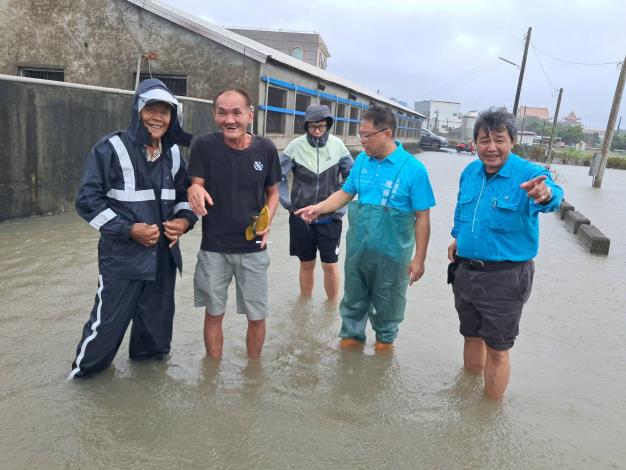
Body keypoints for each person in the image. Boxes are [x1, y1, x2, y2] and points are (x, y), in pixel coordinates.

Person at [70, 79, 196, 378]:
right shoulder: (109, 148)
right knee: (106, 328)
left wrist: (184, 222)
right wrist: (129, 230)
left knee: (154, 339)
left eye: (165, 112)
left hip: (164, 258)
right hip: (122, 259)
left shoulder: (175, 153)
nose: (158, 118)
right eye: (151, 109)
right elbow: (87, 202)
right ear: (137, 110)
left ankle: (148, 389)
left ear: (172, 117)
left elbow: (184, 196)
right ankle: (82, 380)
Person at [296, 106, 435, 351]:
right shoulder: (362, 161)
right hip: (358, 252)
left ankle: (382, 356)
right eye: (360, 134)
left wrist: (419, 258)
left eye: (367, 135)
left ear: (387, 134)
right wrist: (318, 208)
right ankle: (350, 358)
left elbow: (422, 217)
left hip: (392, 258)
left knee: (388, 311)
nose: (362, 141)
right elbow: (345, 194)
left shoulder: (414, 169)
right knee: (352, 304)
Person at [447, 107, 563, 398]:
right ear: (475, 143)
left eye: (499, 139)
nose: (491, 147)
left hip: (505, 276)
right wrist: (457, 237)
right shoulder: (469, 172)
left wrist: (545, 193)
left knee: (498, 349)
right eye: (484, 140)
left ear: (512, 141)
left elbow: (552, 194)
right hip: (465, 271)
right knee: (470, 336)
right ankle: (467, 398)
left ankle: (488, 414)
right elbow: (463, 209)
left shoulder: (528, 173)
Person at [187, 88, 281, 359]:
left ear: (249, 115)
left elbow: (273, 193)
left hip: (253, 247)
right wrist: (193, 191)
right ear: (215, 115)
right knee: (214, 313)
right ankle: (212, 371)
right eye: (223, 112)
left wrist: (268, 221)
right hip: (213, 248)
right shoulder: (204, 146)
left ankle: (254, 372)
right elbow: (196, 184)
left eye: (237, 112)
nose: (230, 120)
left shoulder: (266, 149)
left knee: (257, 316)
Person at [278, 104, 353, 302]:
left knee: (330, 265)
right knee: (306, 263)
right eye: (313, 127)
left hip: (330, 219)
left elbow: (351, 179)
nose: (317, 131)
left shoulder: (338, 146)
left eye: (321, 126)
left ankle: (331, 307)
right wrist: (289, 205)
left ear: (328, 125)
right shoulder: (295, 146)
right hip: (301, 217)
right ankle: (305, 304)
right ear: (306, 126)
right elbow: (278, 177)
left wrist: (337, 204)